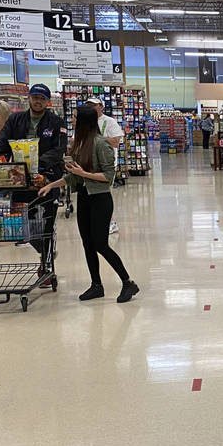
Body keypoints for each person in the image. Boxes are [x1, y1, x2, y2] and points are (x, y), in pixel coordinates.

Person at [38, 106, 139, 303]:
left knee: (100, 243)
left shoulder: (102, 144)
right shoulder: (78, 144)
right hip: (84, 197)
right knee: (87, 243)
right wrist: (52, 185)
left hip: (100, 199)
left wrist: (84, 174)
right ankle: (96, 285)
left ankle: (128, 282)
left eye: (75, 118)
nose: (72, 121)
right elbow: (73, 178)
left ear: (85, 122)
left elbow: (108, 177)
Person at [0, 84, 68, 275]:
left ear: (48, 102)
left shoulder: (57, 122)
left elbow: (60, 149)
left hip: (47, 178)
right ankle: (43, 250)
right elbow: (2, 144)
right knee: (25, 221)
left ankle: (46, 263)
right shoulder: (15, 120)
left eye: (42, 98)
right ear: (29, 99)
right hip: (19, 179)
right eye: (35, 97)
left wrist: (38, 163)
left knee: (47, 221)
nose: (38, 101)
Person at [85, 98, 124, 234]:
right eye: (88, 105)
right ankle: (99, 223)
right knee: (93, 196)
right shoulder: (85, 122)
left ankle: (111, 222)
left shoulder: (110, 122)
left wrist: (96, 138)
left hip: (106, 165)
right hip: (88, 166)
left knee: (104, 195)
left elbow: (116, 142)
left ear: (101, 106)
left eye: (93, 105)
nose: (90, 108)